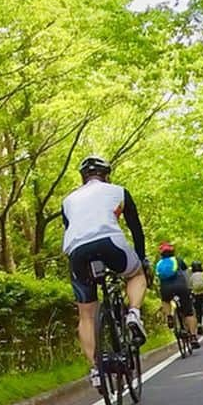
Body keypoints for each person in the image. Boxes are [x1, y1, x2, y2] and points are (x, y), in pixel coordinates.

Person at [61, 155, 149, 391]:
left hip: (77, 252)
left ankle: (95, 370)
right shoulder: (118, 191)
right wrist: (141, 259)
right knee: (136, 275)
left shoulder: (68, 201)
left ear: (83, 178)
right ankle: (133, 313)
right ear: (106, 175)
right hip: (110, 243)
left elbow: (71, 229)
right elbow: (135, 229)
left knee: (86, 315)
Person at [155, 243, 200, 348]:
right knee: (189, 313)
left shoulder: (159, 263)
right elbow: (186, 274)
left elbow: (157, 277)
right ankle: (193, 337)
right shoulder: (178, 260)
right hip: (181, 287)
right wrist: (190, 288)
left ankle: (169, 316)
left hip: (166, 288)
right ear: (173, 251)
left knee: (166, 301)